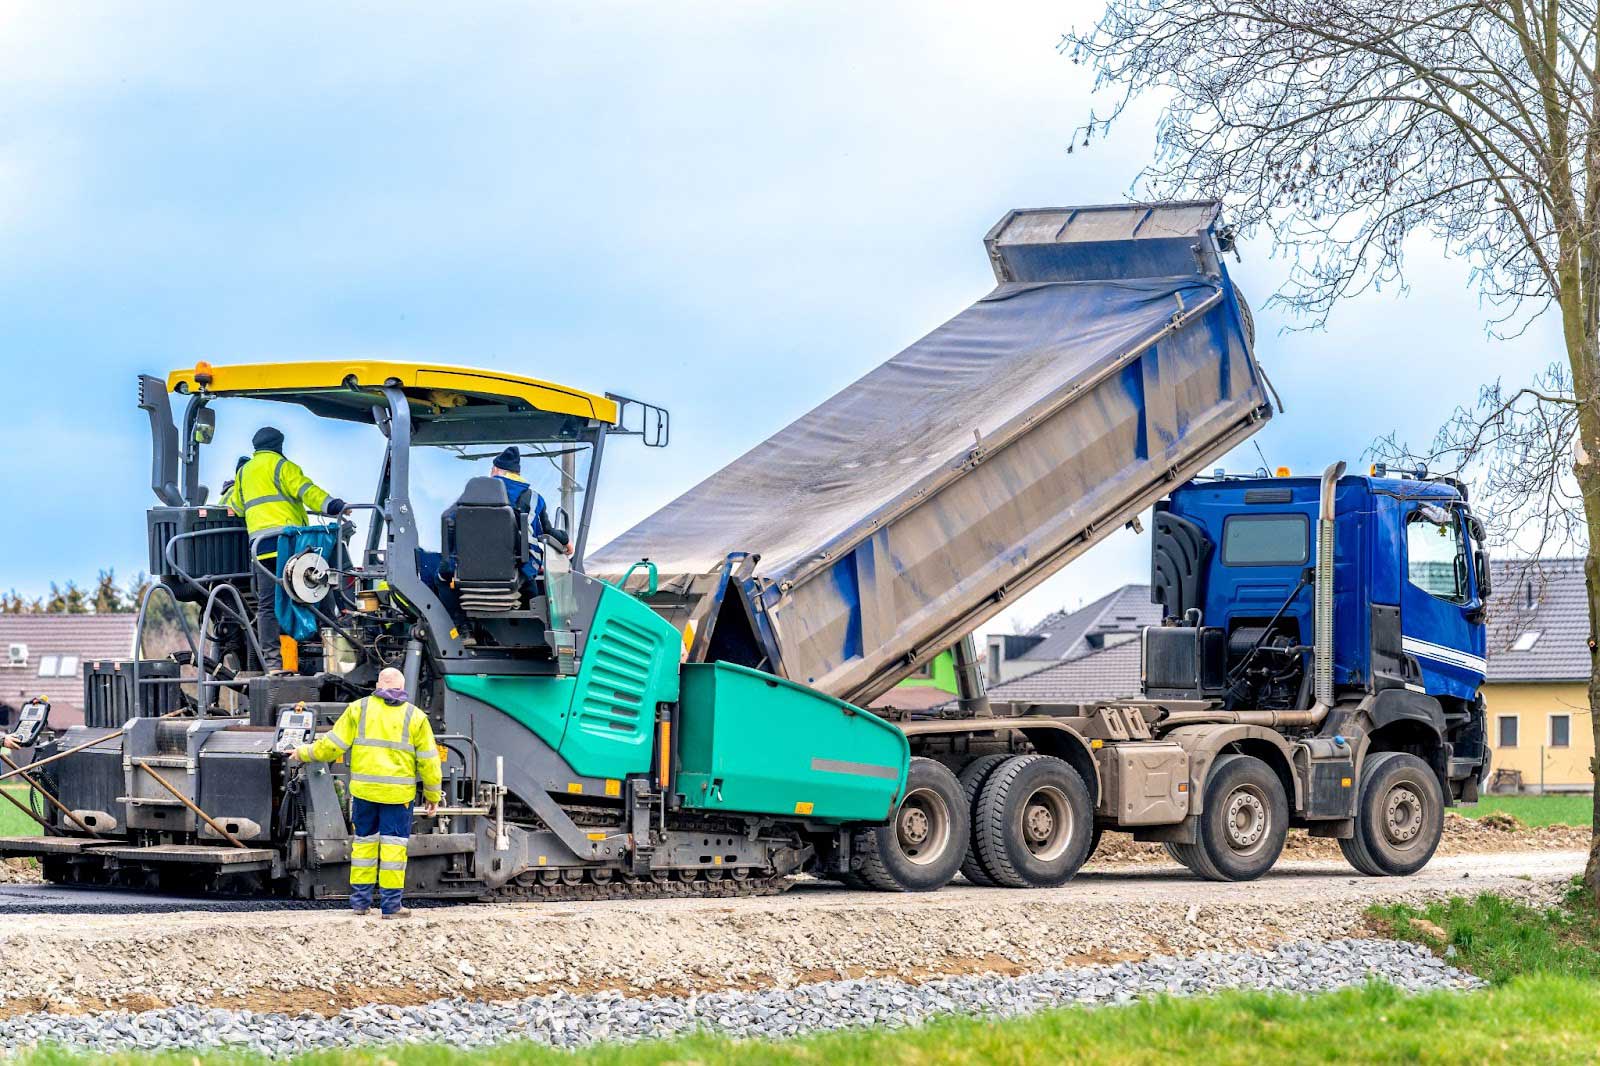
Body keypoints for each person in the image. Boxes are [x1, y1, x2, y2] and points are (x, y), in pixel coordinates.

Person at [288, 668, 442, 917]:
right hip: (397, 797)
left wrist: (304, 752)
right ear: (403, 687)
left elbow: (331, 746)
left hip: (364, 793)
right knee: (393, 850)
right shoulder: (415, 717)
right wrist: (433, 795)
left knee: (363, 846)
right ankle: (391, 907)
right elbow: (429, 762)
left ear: (379, 683)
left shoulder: (358, 709)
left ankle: (360, 903)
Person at [223, 427, 346, 672]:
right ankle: (336, 657)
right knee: (320, 595)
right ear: (279, 445)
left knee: (266, 605)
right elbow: (306, 491)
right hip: (289, 548)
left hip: (260, 549)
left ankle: (272, 662)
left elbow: (235, 507)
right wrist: (333, 506)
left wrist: (227, 490)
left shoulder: (245, 472)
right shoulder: (282, 466)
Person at [488, 446, 572, 581]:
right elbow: (546, 531)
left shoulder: (473, 496)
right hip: (522, 568)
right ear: (517, 474)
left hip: (472, 565)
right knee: (531, 592)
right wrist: (565, 540)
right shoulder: (534, 499)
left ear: (496, 471)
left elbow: (451, 522)